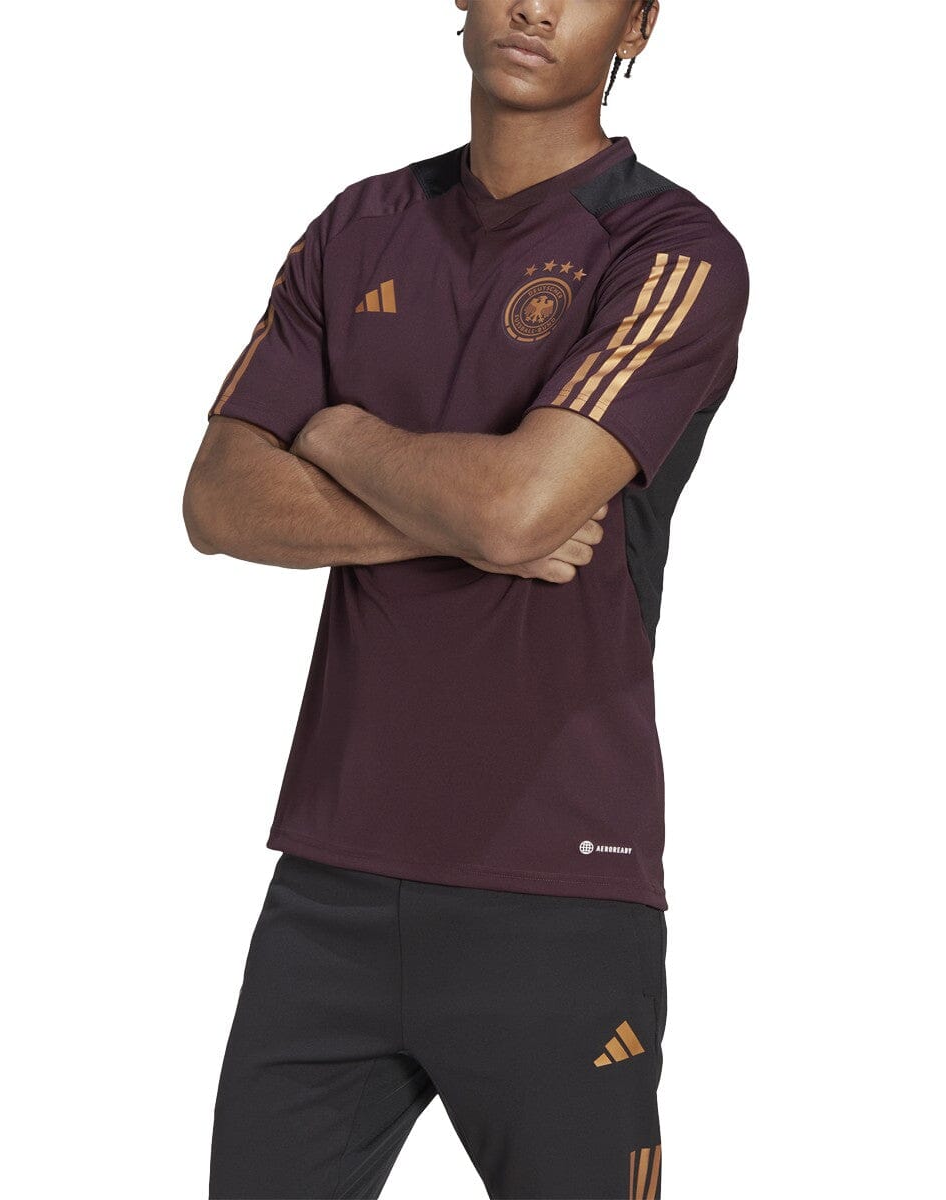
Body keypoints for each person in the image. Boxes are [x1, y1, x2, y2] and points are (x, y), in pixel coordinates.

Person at [182, 2, 749, 1196]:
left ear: (638, 25)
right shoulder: (357, 228)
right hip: (330, 880)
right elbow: (219, 502)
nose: (534, 5)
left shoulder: (669, 251)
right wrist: (473, 515)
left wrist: (335, 434)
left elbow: (521, 509)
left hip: (557, 888)